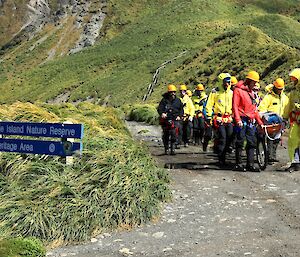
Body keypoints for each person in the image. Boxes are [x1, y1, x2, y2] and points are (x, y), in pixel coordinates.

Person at [233, 71, 263, 172]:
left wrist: (260, 123)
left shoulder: (252, 93)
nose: (255, 84)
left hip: (250, 120)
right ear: (249, 81)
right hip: (241, 119)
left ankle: (250, 164)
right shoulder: (238, 90)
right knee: (240, 141)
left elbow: (254, 110)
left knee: (251, 142)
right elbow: (235, 106)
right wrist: (237, 120)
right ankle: (238, 164)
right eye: (254, 82)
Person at [258, 78, 289, 163]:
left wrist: (286, 119)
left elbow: (287, 108)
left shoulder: (285, 98)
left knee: (277, 139)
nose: (279, 91)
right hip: (271, 122)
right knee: (270, 139)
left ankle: (273, 156)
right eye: (278, 89)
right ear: (275, 87)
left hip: (281, 122)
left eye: (281, 89)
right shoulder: (268, 97)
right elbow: (262, 109)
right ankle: (269, 157)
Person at [206, 73, 233, 166]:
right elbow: (209, 105)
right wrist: (209, 117)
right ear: (221, 82)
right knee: (223, 138)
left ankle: (224, 155)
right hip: (219, 118)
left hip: (229, 119)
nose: (227, 83)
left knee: (230, 138)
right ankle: (221, 159)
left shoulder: (231, 92)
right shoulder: (215, 92)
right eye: (225, 82)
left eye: (229, 82)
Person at [157, 84, 184, 155]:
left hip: (175, 119)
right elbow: (160, 109)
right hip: (166, 119)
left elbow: (181, 110)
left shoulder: (178, 101)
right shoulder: (164, 100)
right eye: (171, 92)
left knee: (174, 133)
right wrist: (162, 113)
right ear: (168, 92)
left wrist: (179, 116)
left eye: (174, 92)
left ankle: (173, 149)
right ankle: (166, 148)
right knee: (166, 134)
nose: (173, 93)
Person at [284, 68, 300, 172]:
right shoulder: (293, 92)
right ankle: (295, 162)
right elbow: (289, 106)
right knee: (292, 141)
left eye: (295, 79)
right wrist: (285, 117)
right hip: (295, 120)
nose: (293, 81)